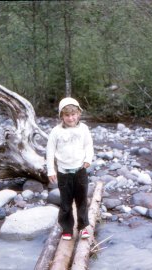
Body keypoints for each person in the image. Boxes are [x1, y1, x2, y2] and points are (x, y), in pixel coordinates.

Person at [46, 97, 94, 240]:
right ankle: (67, 229)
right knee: (66, 203)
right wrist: (51, 170)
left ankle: (82, 227)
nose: (71, 118)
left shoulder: (84, 129)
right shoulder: (56, 131)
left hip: (80, 171)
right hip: (63, 173)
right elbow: (50, 151)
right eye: (67, 115)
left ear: (78, 114)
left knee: (82, 200)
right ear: (62, 116)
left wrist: (88, 159)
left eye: (73, 114)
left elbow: (88, 145)